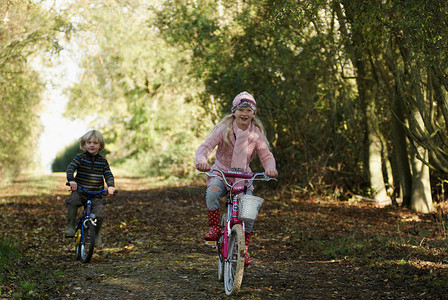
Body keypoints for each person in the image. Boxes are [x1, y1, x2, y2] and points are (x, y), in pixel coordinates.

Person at [195, 91, 278, 265]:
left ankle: (244, 248)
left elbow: (266, 156)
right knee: (212, 192)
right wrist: (202, 161)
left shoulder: (255, 135)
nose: (245, 113)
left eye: (249, 110)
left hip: (243, 178)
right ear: (234, 111)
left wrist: (270, 168)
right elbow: (204, 148)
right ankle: (215, 227)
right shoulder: (223, 130)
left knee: (248, 212)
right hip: (222, 172)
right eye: (241, 109)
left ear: (253, 114)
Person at [65, 130, 115, 247]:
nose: (92, 145)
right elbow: (70, 168)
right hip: (81, 191)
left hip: (96, 194)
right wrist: (71, 180)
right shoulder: (80, 158)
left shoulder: (102, 162)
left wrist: (111, 186)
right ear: (84, 145)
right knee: (73, 201)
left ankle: (96, 234)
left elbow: (108, 174)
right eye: (89, 142)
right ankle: (71, 226)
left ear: (100, 146)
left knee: (100, 213)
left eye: (95, 143)